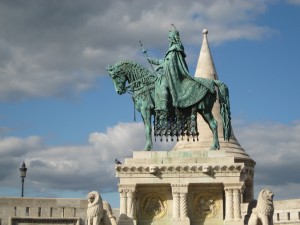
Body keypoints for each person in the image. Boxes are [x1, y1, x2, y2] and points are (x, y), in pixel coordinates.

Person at [147, 25, 212, 111]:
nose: (168, 39)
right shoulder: (171, 50)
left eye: (169, 38)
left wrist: (159, 67)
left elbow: (170, 63)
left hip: (175, 74)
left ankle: (164, 106)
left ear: (173, 38)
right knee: (159, 82)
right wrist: (152, 61)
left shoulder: (175, 49)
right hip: (169, 73)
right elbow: (165, 61)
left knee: (163, 85)